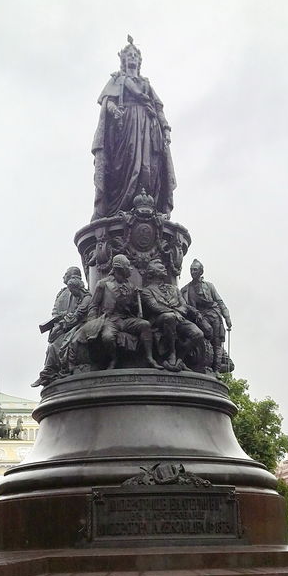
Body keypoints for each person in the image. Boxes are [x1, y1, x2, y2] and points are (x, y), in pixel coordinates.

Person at [91, 36, 176, 219]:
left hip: (148, 127)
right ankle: (119, 209)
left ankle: (148, 206)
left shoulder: (146, 84)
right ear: (123, 59)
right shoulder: (118, 80)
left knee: (149, 166)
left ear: (139, 60)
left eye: (135, 55)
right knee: (124, 164)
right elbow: (107, 102)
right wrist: (115, 111)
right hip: (126, 126)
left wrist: (165, 127)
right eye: (129, 55)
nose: (132, 58)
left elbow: (158, 107)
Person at [141, 260, 206, 371]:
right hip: (160, 320)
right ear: (154, 272)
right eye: (161, 268)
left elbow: (184, 305)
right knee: (169, 317)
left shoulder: (174, 289)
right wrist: (174, 312)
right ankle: (172, 353)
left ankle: (180, 357)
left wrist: (178, 312)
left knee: (198, 334)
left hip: (179, 319)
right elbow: (155, 307)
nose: (165, 269)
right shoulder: (147, 291)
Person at [181, 259, 232, 372]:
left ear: (201, 271)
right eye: (191, 269)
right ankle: (202, 359)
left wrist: (227, 317)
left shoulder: (209, 286)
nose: (192, 272)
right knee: (207, 332)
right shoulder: (185, 290)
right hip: (198, 317)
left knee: (217, 341)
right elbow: (184, 305)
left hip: (214, 315)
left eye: (195, 270)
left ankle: (216, 370)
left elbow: (219, 301)